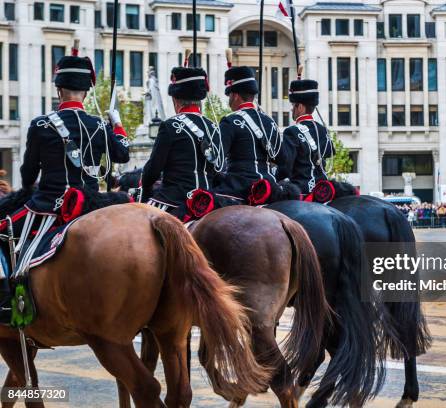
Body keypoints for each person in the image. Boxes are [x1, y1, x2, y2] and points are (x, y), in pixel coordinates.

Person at [0, 51, 130, 322]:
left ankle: (6, 298)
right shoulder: (99, 125)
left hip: (51, 204)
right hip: (94, 202)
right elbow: (122, 155)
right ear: (86, 91)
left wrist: (29, 186)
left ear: (59, 89)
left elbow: (26, 174)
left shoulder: (41, 124)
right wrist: (116, 124)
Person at [141, 66, 220, 216]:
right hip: (209, 200)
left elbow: (154, 169)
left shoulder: (169, 126)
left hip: (175, 199)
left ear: (175, 99)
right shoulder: (213, 126)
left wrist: (145, 188)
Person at [213, 66, 282, 200]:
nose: (229, 101)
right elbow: (283, 161)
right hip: (269, 188)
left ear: (235, 95)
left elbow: (218, 162)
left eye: (229, 96)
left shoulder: (229, 121)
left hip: (238, 188)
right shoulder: (270, 121)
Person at [276, 78, 334, 194]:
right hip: (323, 190)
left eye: (293, 105)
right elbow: (329, 152)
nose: (292, 109)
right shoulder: (322, 129)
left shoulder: (291, 131)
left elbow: (285, 168)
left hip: (301, 190)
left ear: (300, 107)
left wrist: (273, 177)